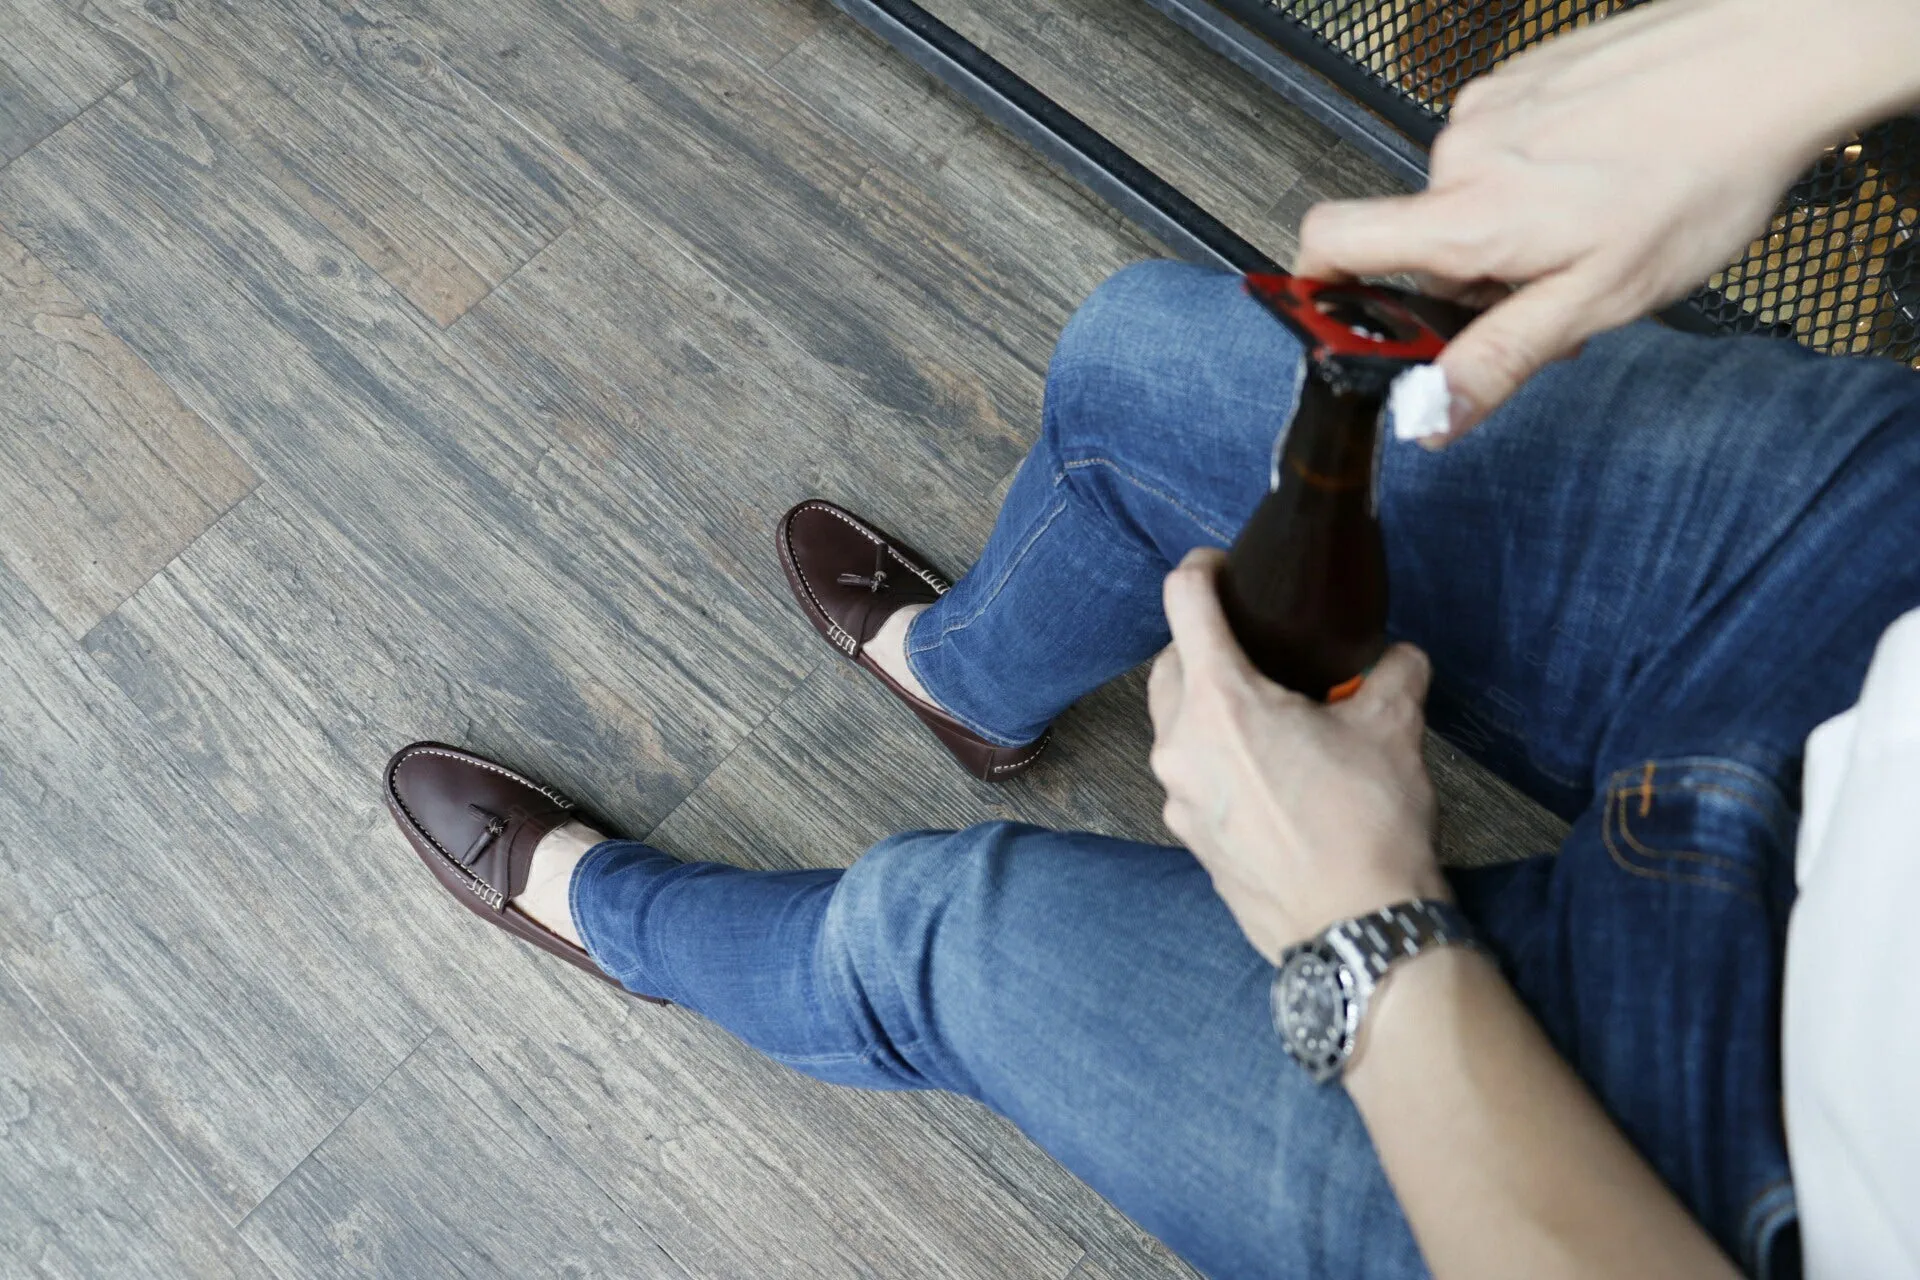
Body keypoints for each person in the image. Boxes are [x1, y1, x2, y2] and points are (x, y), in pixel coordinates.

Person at [382, 0, 1920, 1274]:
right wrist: (1830, 43)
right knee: (1139, 369)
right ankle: (967, 682)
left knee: (939, 933)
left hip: (1711, 1183)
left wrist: (1357, 925)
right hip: (1880, 581)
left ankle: (623, 926)